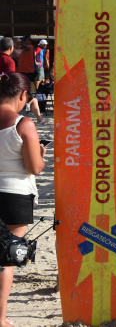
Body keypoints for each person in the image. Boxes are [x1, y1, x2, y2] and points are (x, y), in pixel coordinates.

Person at [0, 71, 45, 326]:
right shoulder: (23, 124)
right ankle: (1, 317)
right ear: (22, 95)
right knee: (6, 258)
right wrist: (39, 151)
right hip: (15, 195)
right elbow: (34, 167)